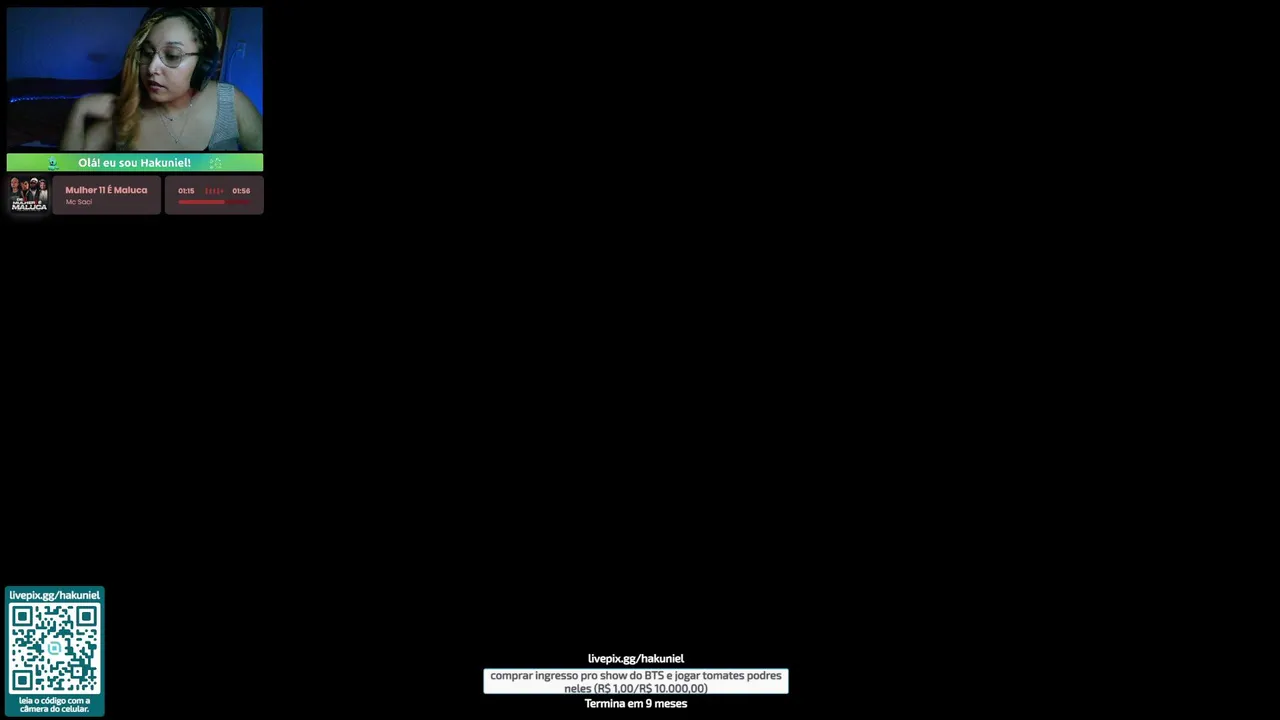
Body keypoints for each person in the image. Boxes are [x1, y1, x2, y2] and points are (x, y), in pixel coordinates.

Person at [60, 7, 262, 152]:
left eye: (172, 56)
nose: (152, 68)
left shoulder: (230, 102)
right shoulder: (126, 111)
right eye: (147, 53)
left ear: (203, 65)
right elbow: (69, 178)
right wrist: (80, 109)